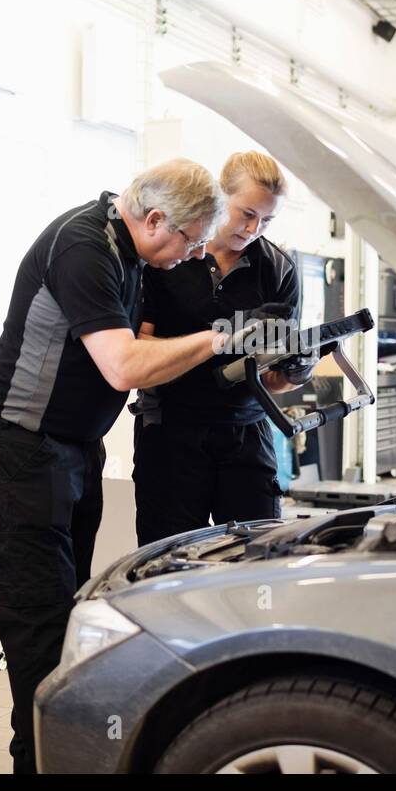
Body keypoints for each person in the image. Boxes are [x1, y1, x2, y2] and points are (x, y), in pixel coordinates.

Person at [0, 158, 228, 774]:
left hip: (75, 449)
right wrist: (219, 339)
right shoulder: (83, 246)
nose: (190, 255)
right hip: (20, 449)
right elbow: (124, 366)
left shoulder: (131, 251)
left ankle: (59, 757)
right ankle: (38, 763)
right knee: (40, 628)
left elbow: (139, 348)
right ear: (156, 218)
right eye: (188, 241)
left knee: (70, 616)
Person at [132, 151, 315, 545]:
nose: (253, 228)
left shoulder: (278, 269)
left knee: (257, 558)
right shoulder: (170, 253)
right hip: (170, 433)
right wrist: (213, 345)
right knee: (166, 565)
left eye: (266, 220)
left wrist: (294, 370)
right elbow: (135, 347)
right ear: (220, 196)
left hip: (246, 435)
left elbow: (273, 380)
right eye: (246, 213)